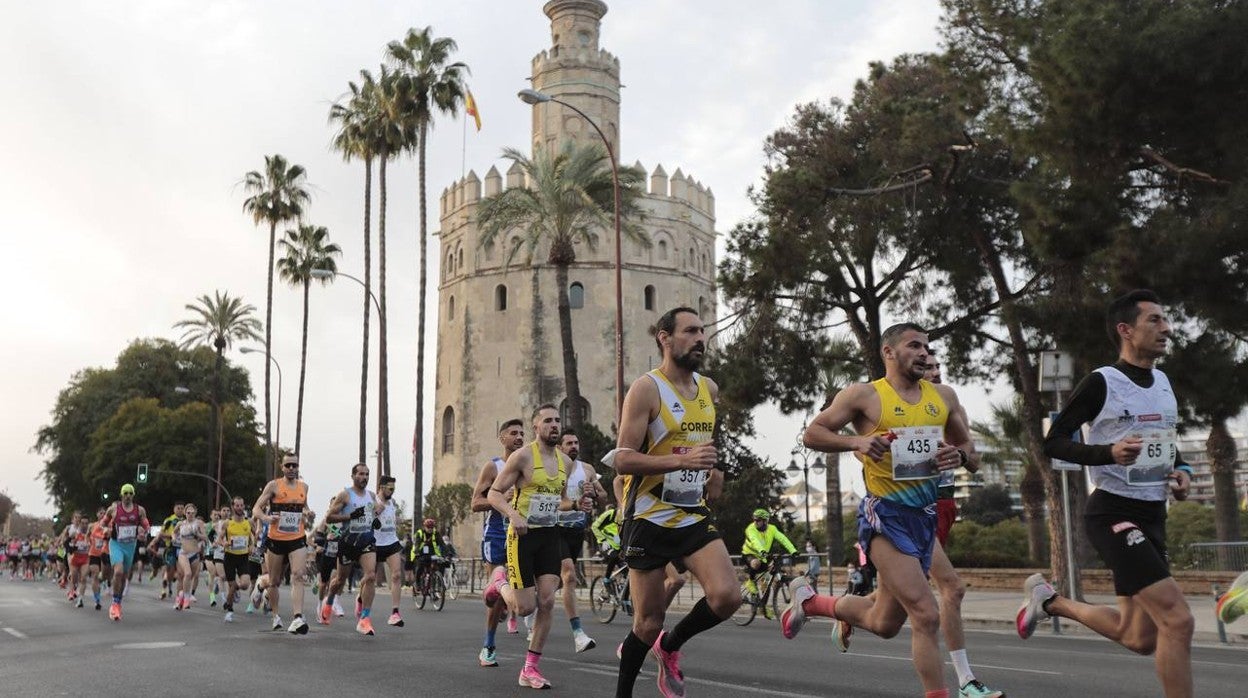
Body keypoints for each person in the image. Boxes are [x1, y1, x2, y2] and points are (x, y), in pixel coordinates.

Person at [781, 322, 977, 698]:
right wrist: (858, 440)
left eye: (926, 346)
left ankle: (811, 601)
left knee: (884, 622)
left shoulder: (944, 397)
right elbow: (813, 433)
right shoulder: (865, 396)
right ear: (889, 352)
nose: (923, 353)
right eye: (914, 346)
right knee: (926, 613)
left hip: (923, 518)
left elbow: (971, 452)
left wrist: (962, 454)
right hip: (884, 516)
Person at [1023, 290, 1195, 698]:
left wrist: (1183, 470)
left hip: (1153, 514)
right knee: (1179, 619)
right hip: (1112, 512)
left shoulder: (1164, 382)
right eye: (1154, 320)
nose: (1166, 328)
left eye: (1165, 320)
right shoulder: (1102, 382)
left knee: (1138, 637)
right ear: (1126, 330)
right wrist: (1108, 453)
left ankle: (1050, 602)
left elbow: (1167, 441)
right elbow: (1054, 442)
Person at [611, 307, 739, 698]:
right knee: (647, 622)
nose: (700, 338)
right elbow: (622, 458)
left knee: (728, 596)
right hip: (648, 517)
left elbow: (704, 443)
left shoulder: (709, 389)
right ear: (665, 338)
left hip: (690, 514)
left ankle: (669, 646)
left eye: (703, 331)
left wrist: (715, 471)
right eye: (690, 331)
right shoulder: (647, 389)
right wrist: (681, 462)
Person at [484, 404, 593, 690]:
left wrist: (577, 505)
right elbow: (495, 494)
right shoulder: (522, 457)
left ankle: (530, 668)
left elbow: (557, 501)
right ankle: (500, 583)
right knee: (523, 609)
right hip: (522, 537)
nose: (554, 425)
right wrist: (513, 514)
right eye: (547, 421)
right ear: (536, 427)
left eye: (557, 420)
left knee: (546, 602)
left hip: (550, 536)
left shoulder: (565, 463)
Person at [469, 418, 524, 667]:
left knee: (519, 594)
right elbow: (475, 503)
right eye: (513, 433)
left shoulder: (528, 465)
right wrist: (500, 498)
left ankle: (497, 597)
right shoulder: (493, 467)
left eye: (522, 433)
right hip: (497, 535)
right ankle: (488, 646)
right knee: (500, 591)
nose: (519, 437)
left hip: (521, 534)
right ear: (502, 438)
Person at [557, 429, 606, 653]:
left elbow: (603, 495)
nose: (573, 446)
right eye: (569, 443)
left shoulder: (587, 469)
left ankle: (539, 601)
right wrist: (575, 504)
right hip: (556, 528)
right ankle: (578, 633)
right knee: (569, 575)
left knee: (557, 581)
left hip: (576, 530)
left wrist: (593, 492)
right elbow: (555, 503)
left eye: (576, 442)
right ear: (560, 447)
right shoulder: (554, 469)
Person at [253, 454, 312, 634]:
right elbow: (256, 508)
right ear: (282, 467)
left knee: (298, 575)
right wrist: (266, 518)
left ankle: (297, 618)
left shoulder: (304, 487)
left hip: (297, 538)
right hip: (276, 539)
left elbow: (305, 507)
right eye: (288, 465)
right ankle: (276, 615)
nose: (292, 468)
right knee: (274, 581)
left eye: (295, 465)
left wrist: (309, 513)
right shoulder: (274, 486)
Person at [321, 462, 380, 636]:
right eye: (361, 474)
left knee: (370, 576)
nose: (364, 478)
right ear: (353, 476)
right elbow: (329, 518)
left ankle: (365, 619)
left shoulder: (371, 495)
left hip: (366, 542)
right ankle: (329, 602)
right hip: (347, 543)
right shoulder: (345, 495)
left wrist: (375, 520)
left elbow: (373, 513)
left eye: (367, 474)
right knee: (339, 580)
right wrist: (350, 516)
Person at [102, 484, 151, 620]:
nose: (128, 496)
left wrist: (144, 532)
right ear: (121, 495)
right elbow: (103, 523)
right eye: (125, 493)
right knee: (118, 572)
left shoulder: (139, 510)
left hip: (131, 545)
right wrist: (105, 529)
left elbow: (146, 526)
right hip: (116, 544)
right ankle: (114, 603)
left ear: (133, 495)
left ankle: (118, 602)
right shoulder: (113, 509)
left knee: (124, 575)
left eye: (130, 493)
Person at [741, 509, 797, 618]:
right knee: (756, 564)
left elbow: (783, 539)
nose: (755, 522)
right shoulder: (751, 529)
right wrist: (762, 551)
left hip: (764, 556)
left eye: (758, 520)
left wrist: (793, 550)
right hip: (750, 554)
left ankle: (763, 607)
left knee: (767, 584)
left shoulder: (772, 529)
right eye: (755, 520)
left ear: (765, 521)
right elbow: (755, 541)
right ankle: (750, 582)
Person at [373, 475, 406, 628]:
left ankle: (395, 613)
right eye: (390, 488)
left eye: (394, 489)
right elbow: (366, 520)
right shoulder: (374, 501)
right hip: (375, 543)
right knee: (368, 578)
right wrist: (375, 513)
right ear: (381, 487)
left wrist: (398, 521)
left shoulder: (392, 502)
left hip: (391, 542)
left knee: (397, 575)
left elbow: (391, 518)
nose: (392, 491)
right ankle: (360, 600)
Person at [221, 496, 254, 623]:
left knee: (245, 584)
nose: (240, 508)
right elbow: (219, 538)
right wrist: (224, 543)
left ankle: (235, 591)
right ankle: (229, 610)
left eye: (241, 505)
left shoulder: (249, 522)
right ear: (233, 507)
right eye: (237, 505)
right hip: (229, 557)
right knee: (232, 586)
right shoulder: (227, 523)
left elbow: (253, 537)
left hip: (243, 557)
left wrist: (251, 545)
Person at [173, 503, 208, 610]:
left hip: (195, 554)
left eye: (193, 513)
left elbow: (205, 537)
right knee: (186, 574)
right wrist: (174, 538)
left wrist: (197, 534)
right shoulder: (181, 524)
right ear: (185, 513)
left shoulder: (199, 523)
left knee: (190, 577)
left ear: (195, 513)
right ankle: (186, 599)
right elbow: (174, 532)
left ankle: (180, 597)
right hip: (183, 553)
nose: (190, 515)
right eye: (188, 513)